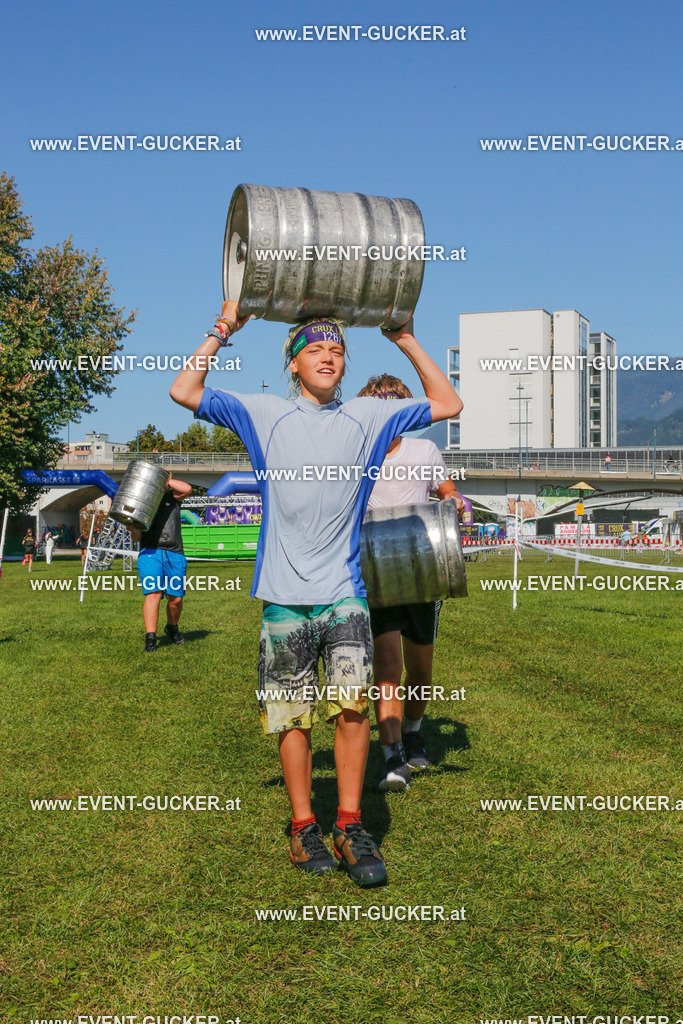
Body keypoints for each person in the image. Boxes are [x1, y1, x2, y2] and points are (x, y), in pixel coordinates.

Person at [170, 299, 462, 886]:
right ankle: (305, 828)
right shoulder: (262, 412)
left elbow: (449, 403)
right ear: (293, 363)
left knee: (353, 708)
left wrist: (404, 338)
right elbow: (184, 388)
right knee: (291, 717)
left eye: (337, 351)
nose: (328, 357)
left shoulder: (367, 417)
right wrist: (224, 328)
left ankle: (350, 826)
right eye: (315, 350)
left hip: (345, 591)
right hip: (283, 593)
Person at [358, 374, 464, 792]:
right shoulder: (355, 453)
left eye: (394, 407)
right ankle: (392, 755)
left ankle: (415, 729)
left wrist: (455, 502)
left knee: (420, 670)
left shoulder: (425, 449)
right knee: (387, 668)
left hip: (423, 571)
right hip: (376, 572)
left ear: (407, 411)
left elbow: (448, 491)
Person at [130, 477, 192, 652]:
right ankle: (151, 637)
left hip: (174, 553)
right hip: (149, 553)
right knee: (153, 594)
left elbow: (186, 488)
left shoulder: (172, 497)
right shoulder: (140, 504)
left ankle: (172, 627)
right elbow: (137, 538)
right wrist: (133, 529)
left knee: (176, 599)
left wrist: (164, 478)